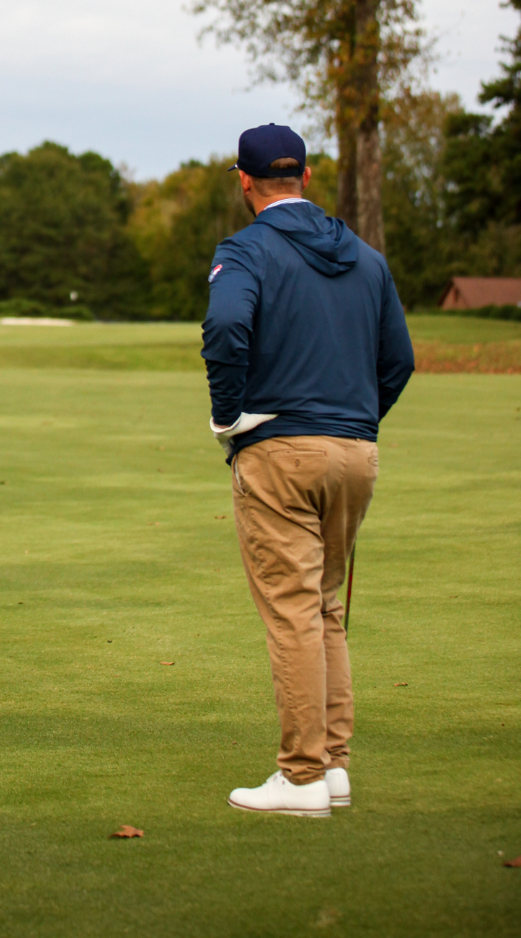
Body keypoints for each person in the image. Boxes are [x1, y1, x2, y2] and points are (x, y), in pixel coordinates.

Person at [201, 123, 414, 817]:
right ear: (308, 176)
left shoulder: (246, 250)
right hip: (357, 453)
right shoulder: (365, 256)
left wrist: (229, 416)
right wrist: (355, 418)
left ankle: (300, 779)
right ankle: (334, 767)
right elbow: (399, 361)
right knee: (324, 608)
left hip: (279, 451)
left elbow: (228, 327)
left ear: (244, 181)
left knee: (294, 611)